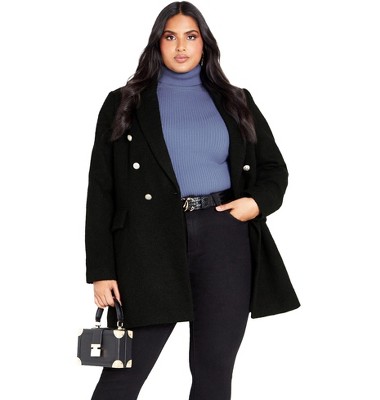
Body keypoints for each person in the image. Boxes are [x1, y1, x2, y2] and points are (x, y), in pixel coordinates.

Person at [85, 2, 300, 399]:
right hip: (148, 243)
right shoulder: (124, 102)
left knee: (214, 372)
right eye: (170, 37)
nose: (181, 47)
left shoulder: (237, 100)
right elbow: (101, 190)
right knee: (123, 373)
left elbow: (274, 168)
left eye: (191, 36)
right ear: (157, 43)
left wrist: (255, 203)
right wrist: (101, 270)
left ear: (205, 44)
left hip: (224, 238)